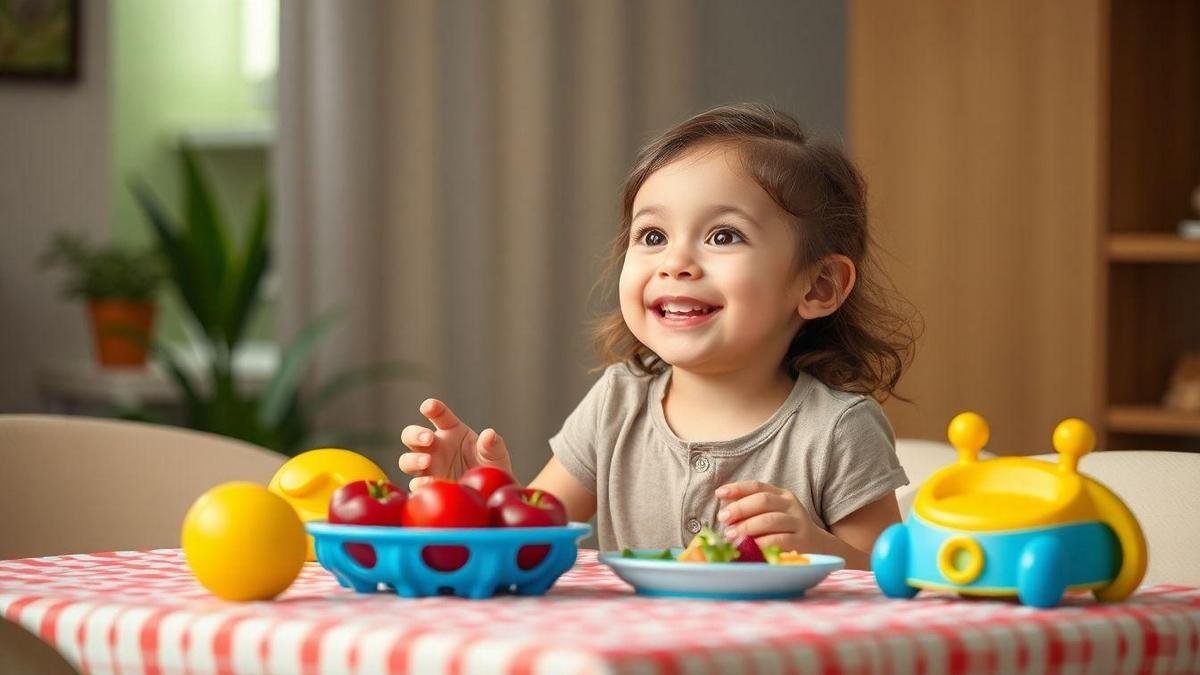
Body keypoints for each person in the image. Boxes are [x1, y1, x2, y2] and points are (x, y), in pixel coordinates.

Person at [398, 103, 919, 569]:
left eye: (723, 236)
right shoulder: (617, 404)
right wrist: (472, 500)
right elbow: (531, 549)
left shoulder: (837, 431)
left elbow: (890, 584)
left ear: (820, 285)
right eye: (652, 236)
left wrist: (820, 549)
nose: (675, 263)